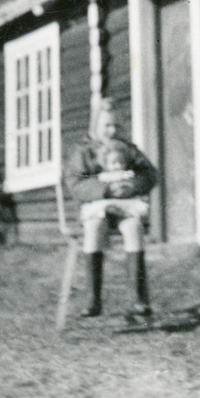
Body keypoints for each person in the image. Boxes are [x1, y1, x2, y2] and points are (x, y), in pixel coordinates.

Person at [64, 99, 159, 319]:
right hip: (97, 206)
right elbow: (74, 183)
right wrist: (105, 190)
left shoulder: (126, 149)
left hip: (125, 205)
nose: (112, 131)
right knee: (95, 228)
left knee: (134, 227)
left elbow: (150, 174)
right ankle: (93, 300)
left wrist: (131, 185)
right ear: (95, 126)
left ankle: (139, 300)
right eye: (106, 126)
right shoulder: (84, 151)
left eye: (116, 126)